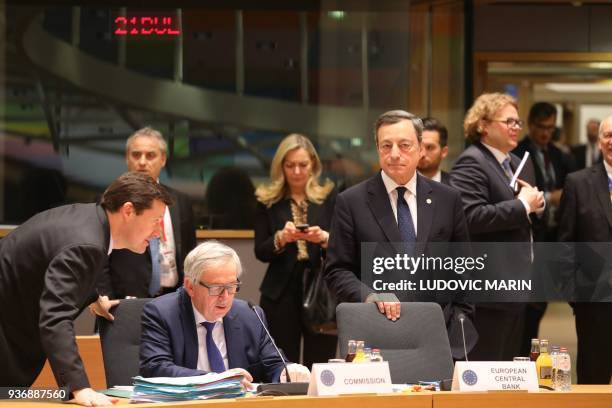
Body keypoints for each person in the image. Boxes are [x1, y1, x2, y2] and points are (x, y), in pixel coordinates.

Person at [0, 172, 172, 406]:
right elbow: (54, 318)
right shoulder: (87, 243)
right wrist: (79, 388)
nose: (159, 233)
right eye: (155, 220)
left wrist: (93, 296)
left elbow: (51, 262)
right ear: (129, 210)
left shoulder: (90, 220)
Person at [323, 110, 475, 358]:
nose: (394, 154)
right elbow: (336, 270)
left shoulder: (448, 199)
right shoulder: (351, 201)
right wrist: (369, 296)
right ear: (377, 148)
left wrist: (461, 326)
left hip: (438, 333)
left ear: (419, 149)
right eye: (386, 145)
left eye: (404, 145)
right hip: (374, 334)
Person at [450, 92, 545, 361]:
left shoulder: (513, 162)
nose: (516, 128)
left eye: (518, 123)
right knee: (487, 370)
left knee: (507, 368)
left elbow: (521, 210)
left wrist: (536, 205)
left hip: (515, 286)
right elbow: (470, 216)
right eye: (509, 122)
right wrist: (522, 206)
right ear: (483, 124)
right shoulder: (472, 162)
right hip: (488, 291)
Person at [140, 241, 310, 385]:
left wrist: (288, 371)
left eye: (231, 286)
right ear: (190, 286)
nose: (225, 297)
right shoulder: (162, 313)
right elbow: (155, 368)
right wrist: (214, 380)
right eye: (216, 288)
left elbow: (273, 363)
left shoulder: (249, 315)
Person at [254, 134, 337, 368]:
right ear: (280, 167)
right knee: (282, 365)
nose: (297, 171)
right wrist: (281, 238)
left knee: (322, 364)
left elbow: (343, 245)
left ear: (314, 165)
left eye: (303, 165)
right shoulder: (266, 200)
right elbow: (260, 251)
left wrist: (323, 238)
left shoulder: (329, 197)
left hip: (321, 291)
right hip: (280, 292)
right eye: (290, 165)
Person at [97, 127, 196, 299]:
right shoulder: (110, 200)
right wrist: (106, 297)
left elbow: (190, 252)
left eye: (150, 155)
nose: (142, 162)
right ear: (127, 158)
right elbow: (99, 257)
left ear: (163, 159)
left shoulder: (181, 201)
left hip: (175, 298)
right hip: (125, 300)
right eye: (136, 155)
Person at [512, 102, 575, 357]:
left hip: (551, 237)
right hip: (528, 237)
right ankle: (520, 359)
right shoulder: (519, 152)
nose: (545, 133)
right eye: (541, 127)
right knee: (525, 307)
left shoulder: (560, 156)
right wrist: (551, 196)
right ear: (531, 124)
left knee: (540, 304)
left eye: (550, 128)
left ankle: (531, 354)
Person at [557, 115, 612, 385]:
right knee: (594, 375)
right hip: (594, 301)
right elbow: (566, 242)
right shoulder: (578, 183)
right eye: (608, 135)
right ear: (600, 141)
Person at [417, 117, 451, 185]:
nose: (422, 154)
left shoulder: (456, 186)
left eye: (429, 147)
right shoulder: (400, 183)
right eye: (418, 147)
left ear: (444, 152)